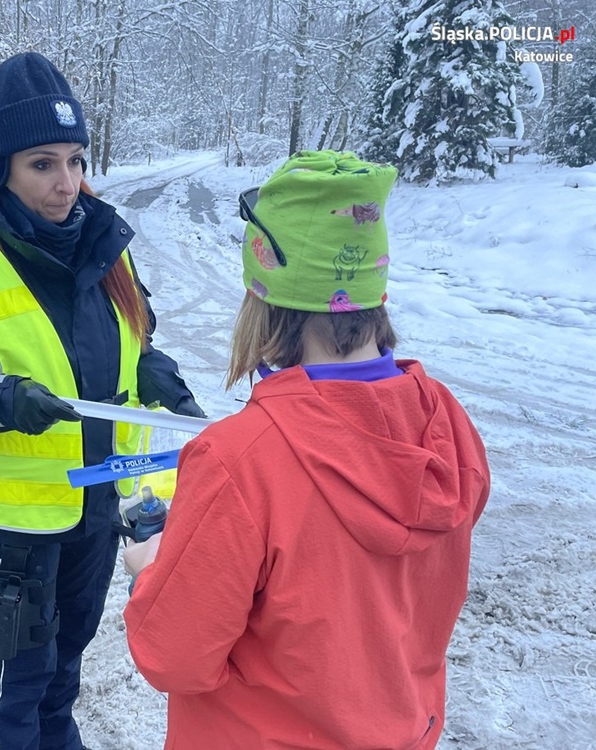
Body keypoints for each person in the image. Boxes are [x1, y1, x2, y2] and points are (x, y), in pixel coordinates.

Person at [0, 52, 205, 750]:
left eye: (76, 160)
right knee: (16, 683)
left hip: (95, 509)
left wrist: (161, 380)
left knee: (66, 667)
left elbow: (134, 344)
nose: (67, 184)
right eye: (42, 164)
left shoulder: (108, 249)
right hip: (15, 532)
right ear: (1, 169)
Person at [122, 150, 490, 749]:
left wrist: (150, 574)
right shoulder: (445, 422)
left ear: (263, 299)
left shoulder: (240, 459)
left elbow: (174, 656)